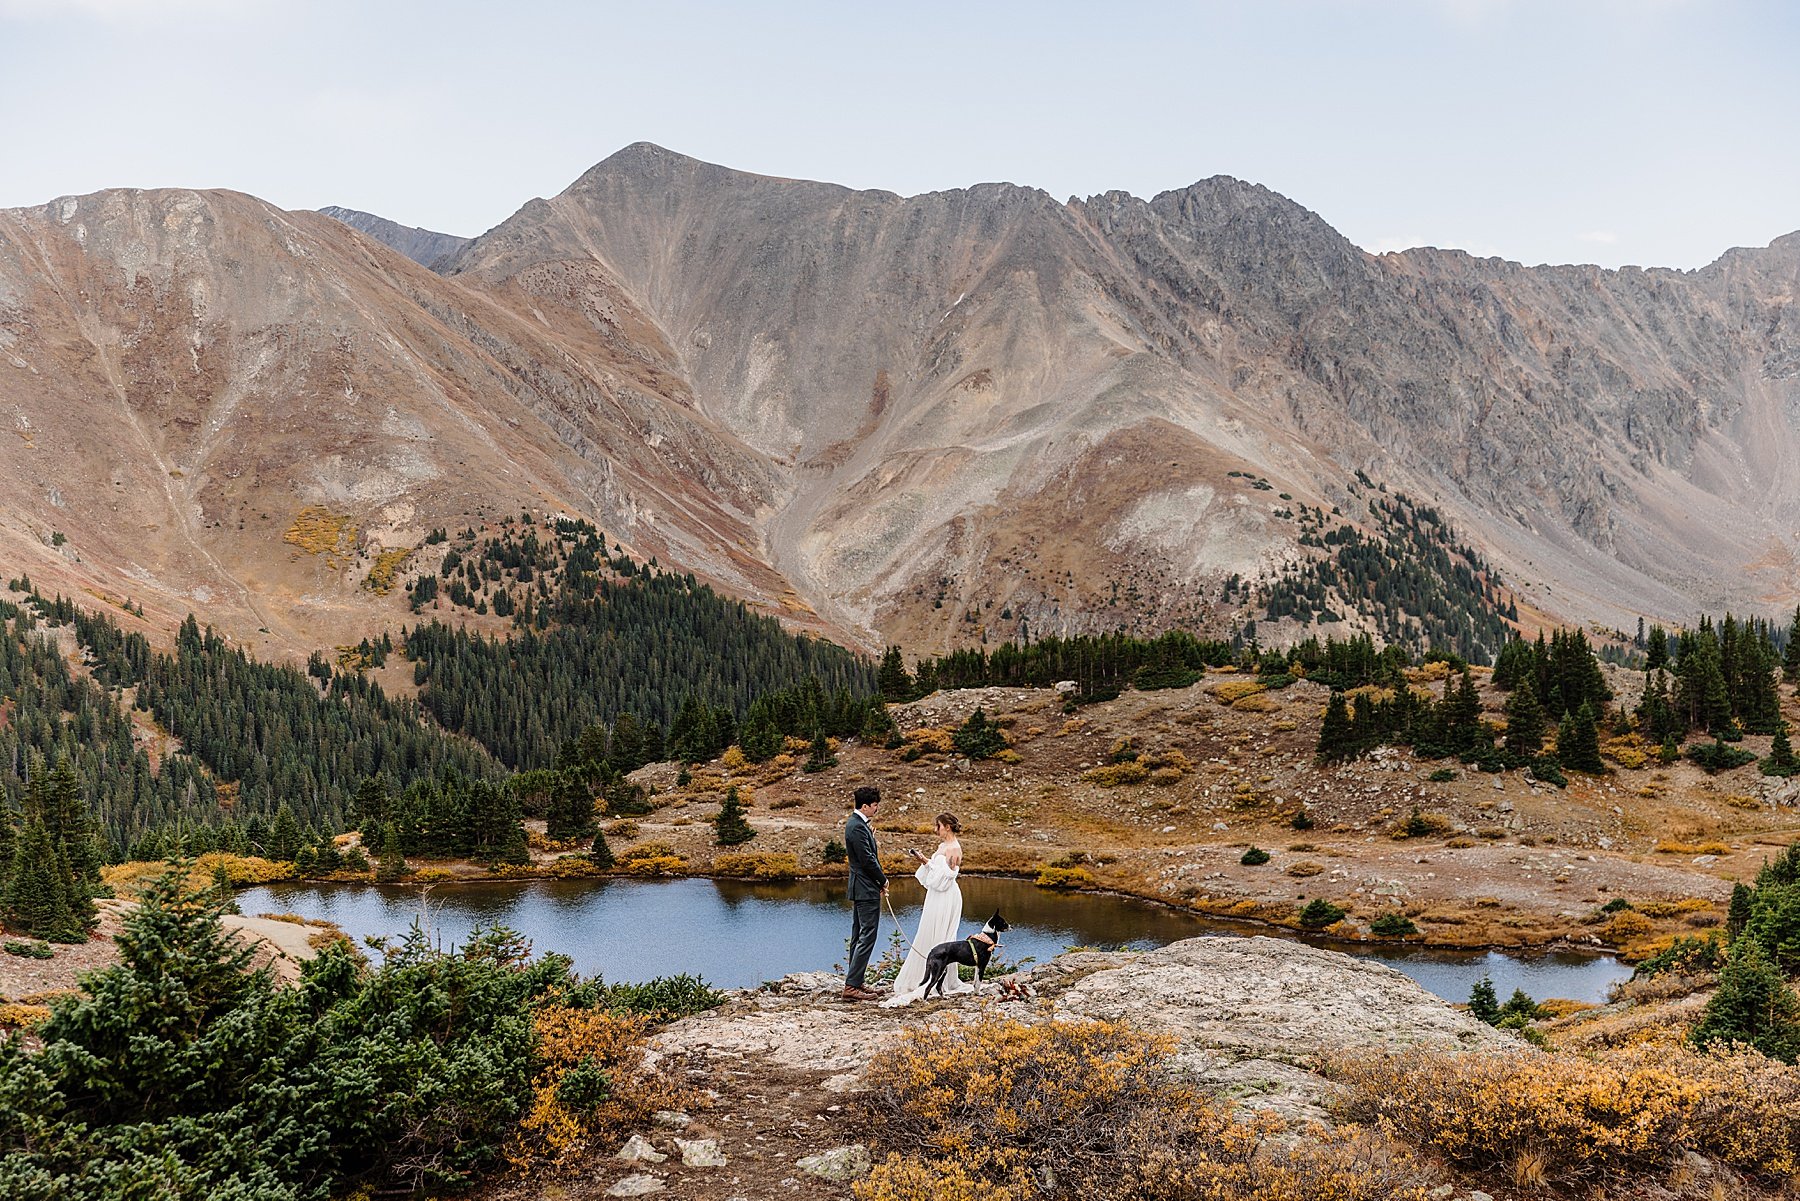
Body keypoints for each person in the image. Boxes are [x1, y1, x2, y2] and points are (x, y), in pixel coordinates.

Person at [880, 811, 969, 1008]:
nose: (935, 829)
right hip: (936, 896)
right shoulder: (942, 846)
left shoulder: (954, 849)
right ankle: (925, 975)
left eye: (938, 826)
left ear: (946, 826)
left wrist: (926, 862)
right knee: (928, 931)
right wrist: (925, 861)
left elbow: (947, 878)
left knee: (942, 935)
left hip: (946, 897)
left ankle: (940, 979)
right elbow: (937, 873)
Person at [841, 785, 887, 1001]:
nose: (877, 809)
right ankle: (852, 987)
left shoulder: (859, 825)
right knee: (867, 935)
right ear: (865, 805)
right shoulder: (857, 826)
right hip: (865, 887)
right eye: (875, 805)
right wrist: (883, 879)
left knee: (859, 935)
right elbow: (867, 859)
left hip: (861, 886)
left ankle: (856, 981)